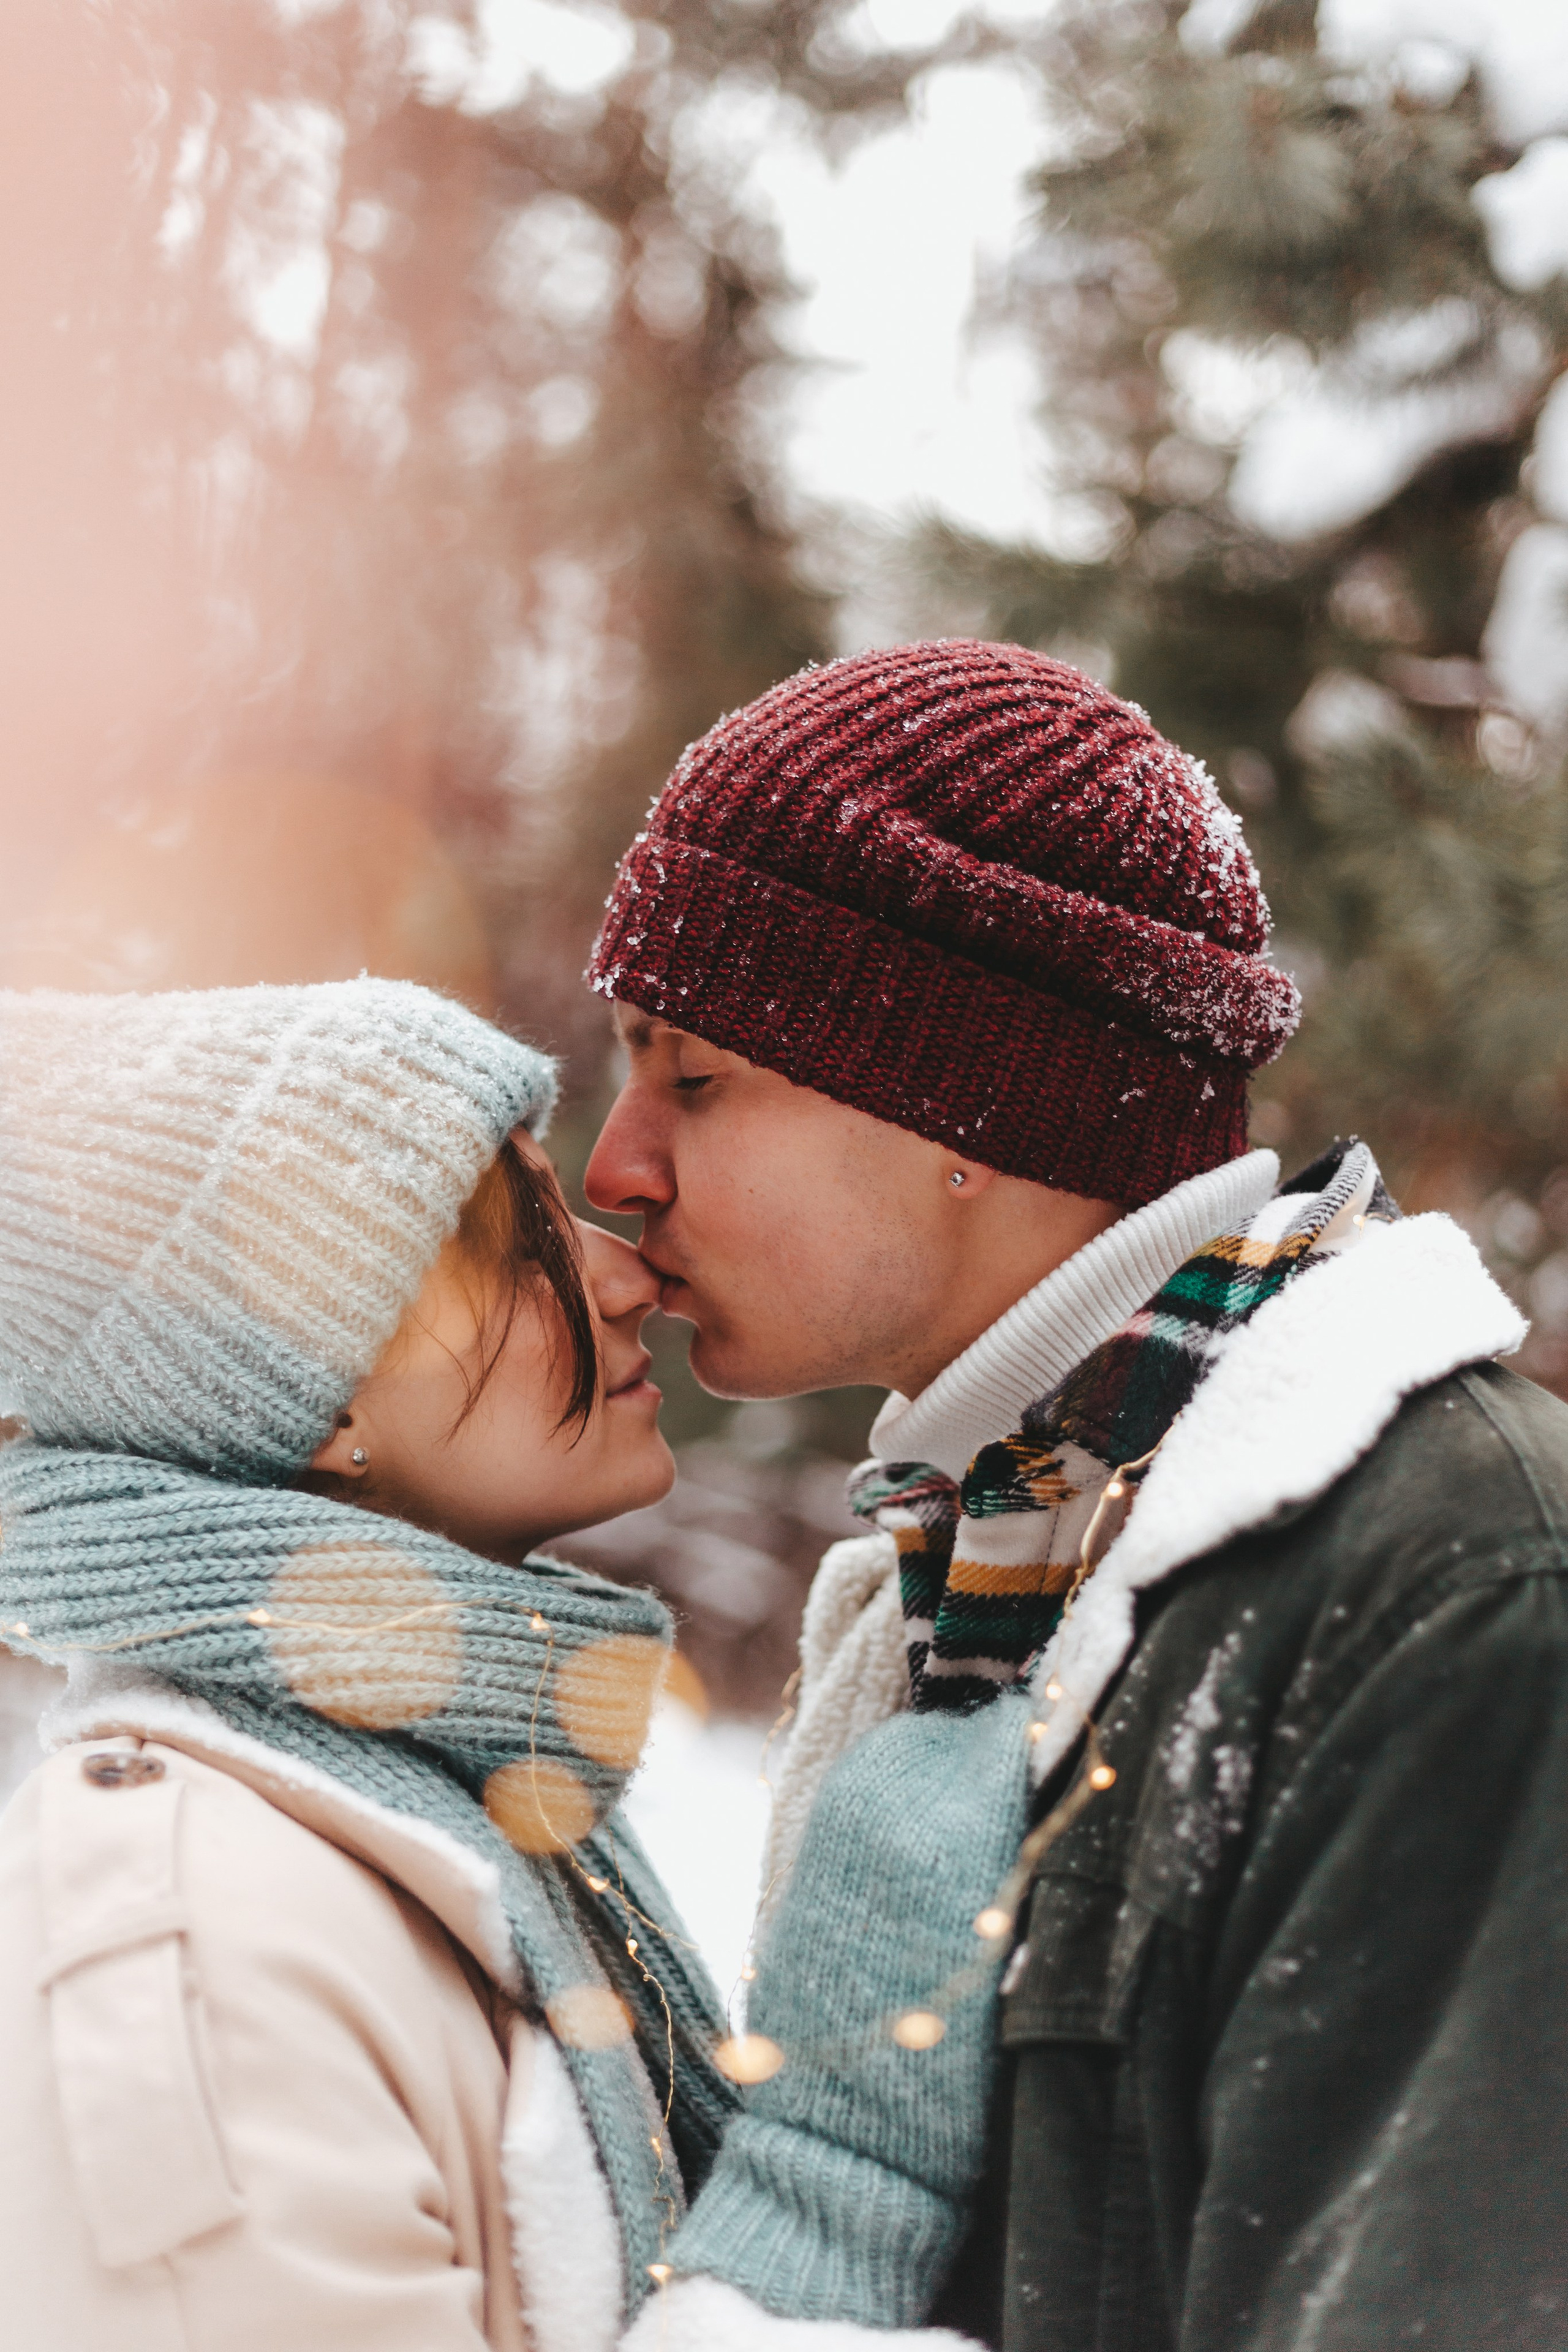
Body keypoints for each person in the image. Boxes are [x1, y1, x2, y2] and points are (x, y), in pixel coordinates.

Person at [586, 639, 1568, 2351]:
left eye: (696, 1077)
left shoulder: (1451, 1590)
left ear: (955, 1096)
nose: (617, 1168)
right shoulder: (987, 1567)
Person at [0, 976, 738, 2352]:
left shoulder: (440, 1813)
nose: (626, 1273)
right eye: (525, 1244)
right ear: (316, 1380)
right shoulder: (191, 1935)